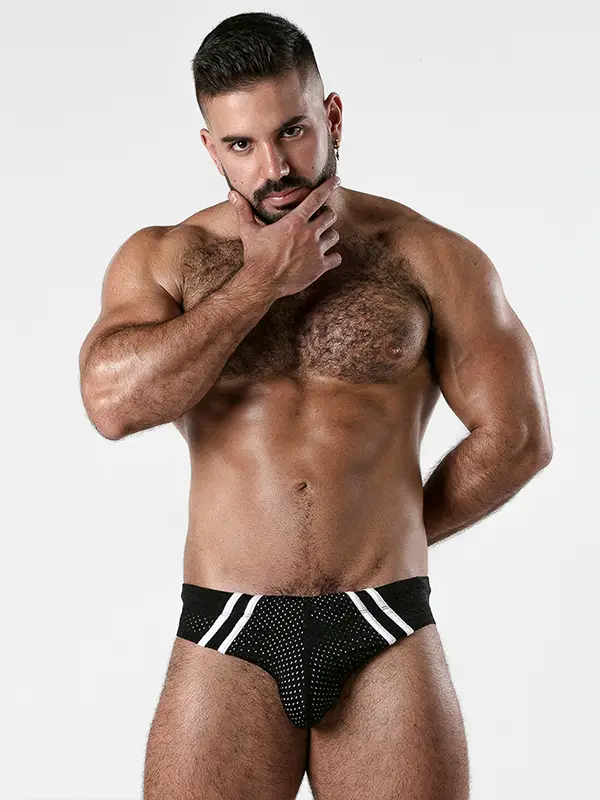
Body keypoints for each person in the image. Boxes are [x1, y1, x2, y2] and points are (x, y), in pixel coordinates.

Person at [78, 11, 553, 800]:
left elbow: (519, 436)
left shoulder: (428, 255)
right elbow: (111, 403)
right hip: (227, 628)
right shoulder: (167, 257)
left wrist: (392, 528)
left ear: (331, 115)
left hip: (384, 623)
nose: (274, 167)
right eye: (241, 145)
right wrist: (258, 284)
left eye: (292, 132)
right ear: (211, 149)